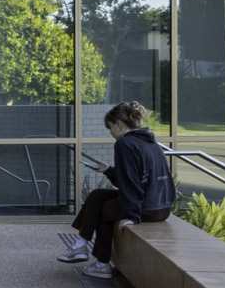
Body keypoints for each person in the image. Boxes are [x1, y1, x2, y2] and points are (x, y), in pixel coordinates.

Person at [59, 101, 175, 278]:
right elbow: (136, 179)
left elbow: (131, 183)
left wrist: (133, 217)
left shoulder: (124, 144)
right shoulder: (149, 141)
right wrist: (109, 171)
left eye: (110, 127)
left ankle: (101, 263)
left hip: (148, 208)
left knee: (104, 211)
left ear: (119, 125)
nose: (111, 132)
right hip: (161, 206)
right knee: (98, 195)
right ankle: (80, 245)